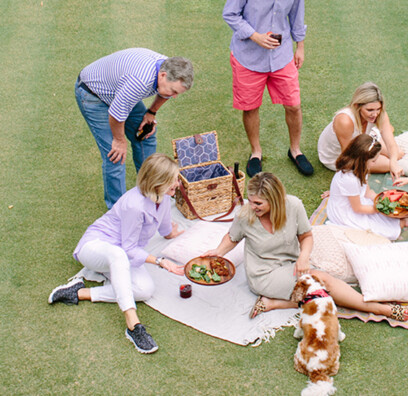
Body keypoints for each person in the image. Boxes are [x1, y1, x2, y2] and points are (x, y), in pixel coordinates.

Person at [203, 172, 408, 322]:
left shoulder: (293, 206)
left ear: (275, 200)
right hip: (265, 272)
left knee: (323, 285)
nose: (253, 207)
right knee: (325, 282)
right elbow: (232, 238)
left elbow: (306, 236)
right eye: (252, 201)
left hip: (293, 262)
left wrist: (303, 256)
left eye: (259, 203)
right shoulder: (245, 214)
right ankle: (380, 309)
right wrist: (218, 253)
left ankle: (276, 303)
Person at [48, 153, 186, 354]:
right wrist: (160, 261)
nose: (178, 183)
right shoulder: (134, 205)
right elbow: (129, 249)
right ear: (158, 182)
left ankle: (77, 292)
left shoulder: (163, 199)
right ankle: (133, 326)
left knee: (145, 290)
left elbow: (165, 229)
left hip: (118, 255)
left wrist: (174, 233)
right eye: (173, 179)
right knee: (119, 255)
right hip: (94, 247)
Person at [76, 48, 194, 208]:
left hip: (120, 91)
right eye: (173, 91)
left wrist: (151, 112)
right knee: (115, 155)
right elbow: (117, 114)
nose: (174, 96)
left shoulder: (169, 68)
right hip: (93, 94)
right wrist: (119, 140)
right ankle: (118, 212)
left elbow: (164, 93)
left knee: (146, 135)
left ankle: (151, 189)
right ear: (163, 75)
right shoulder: (139, 81)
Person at [222, 0, 314, 177]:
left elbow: (296, 15)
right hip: (248, 57)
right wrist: (255, 36)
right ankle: (256, 152)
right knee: (250, 107)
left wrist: (300, 46)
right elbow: (230, 14)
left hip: (282, 55)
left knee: (294, 105)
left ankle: (295, 150)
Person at [326, 134, 408, 240]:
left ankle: (398, 220)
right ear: (362, 160)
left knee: (389, 216)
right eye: (373, 161)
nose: (375, 164)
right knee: (387, 232)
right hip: (346, 212)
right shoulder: (349, 179)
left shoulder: (361, 169)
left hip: (359, 202)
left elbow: (367, 192)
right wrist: (379, 209)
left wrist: (384, 201)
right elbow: (357, 208)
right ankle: (398, 223)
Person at [318, 82, 404, 179]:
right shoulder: (344, 121)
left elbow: (391, 145)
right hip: (338, 155)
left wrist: (394, 163)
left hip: (362, 141)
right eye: (370, 110)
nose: (375, 114)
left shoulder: (380, 114)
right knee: (387, 163)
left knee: (398, 154)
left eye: (378, 109)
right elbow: (348, 158)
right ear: (357, 106)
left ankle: (378, 150)